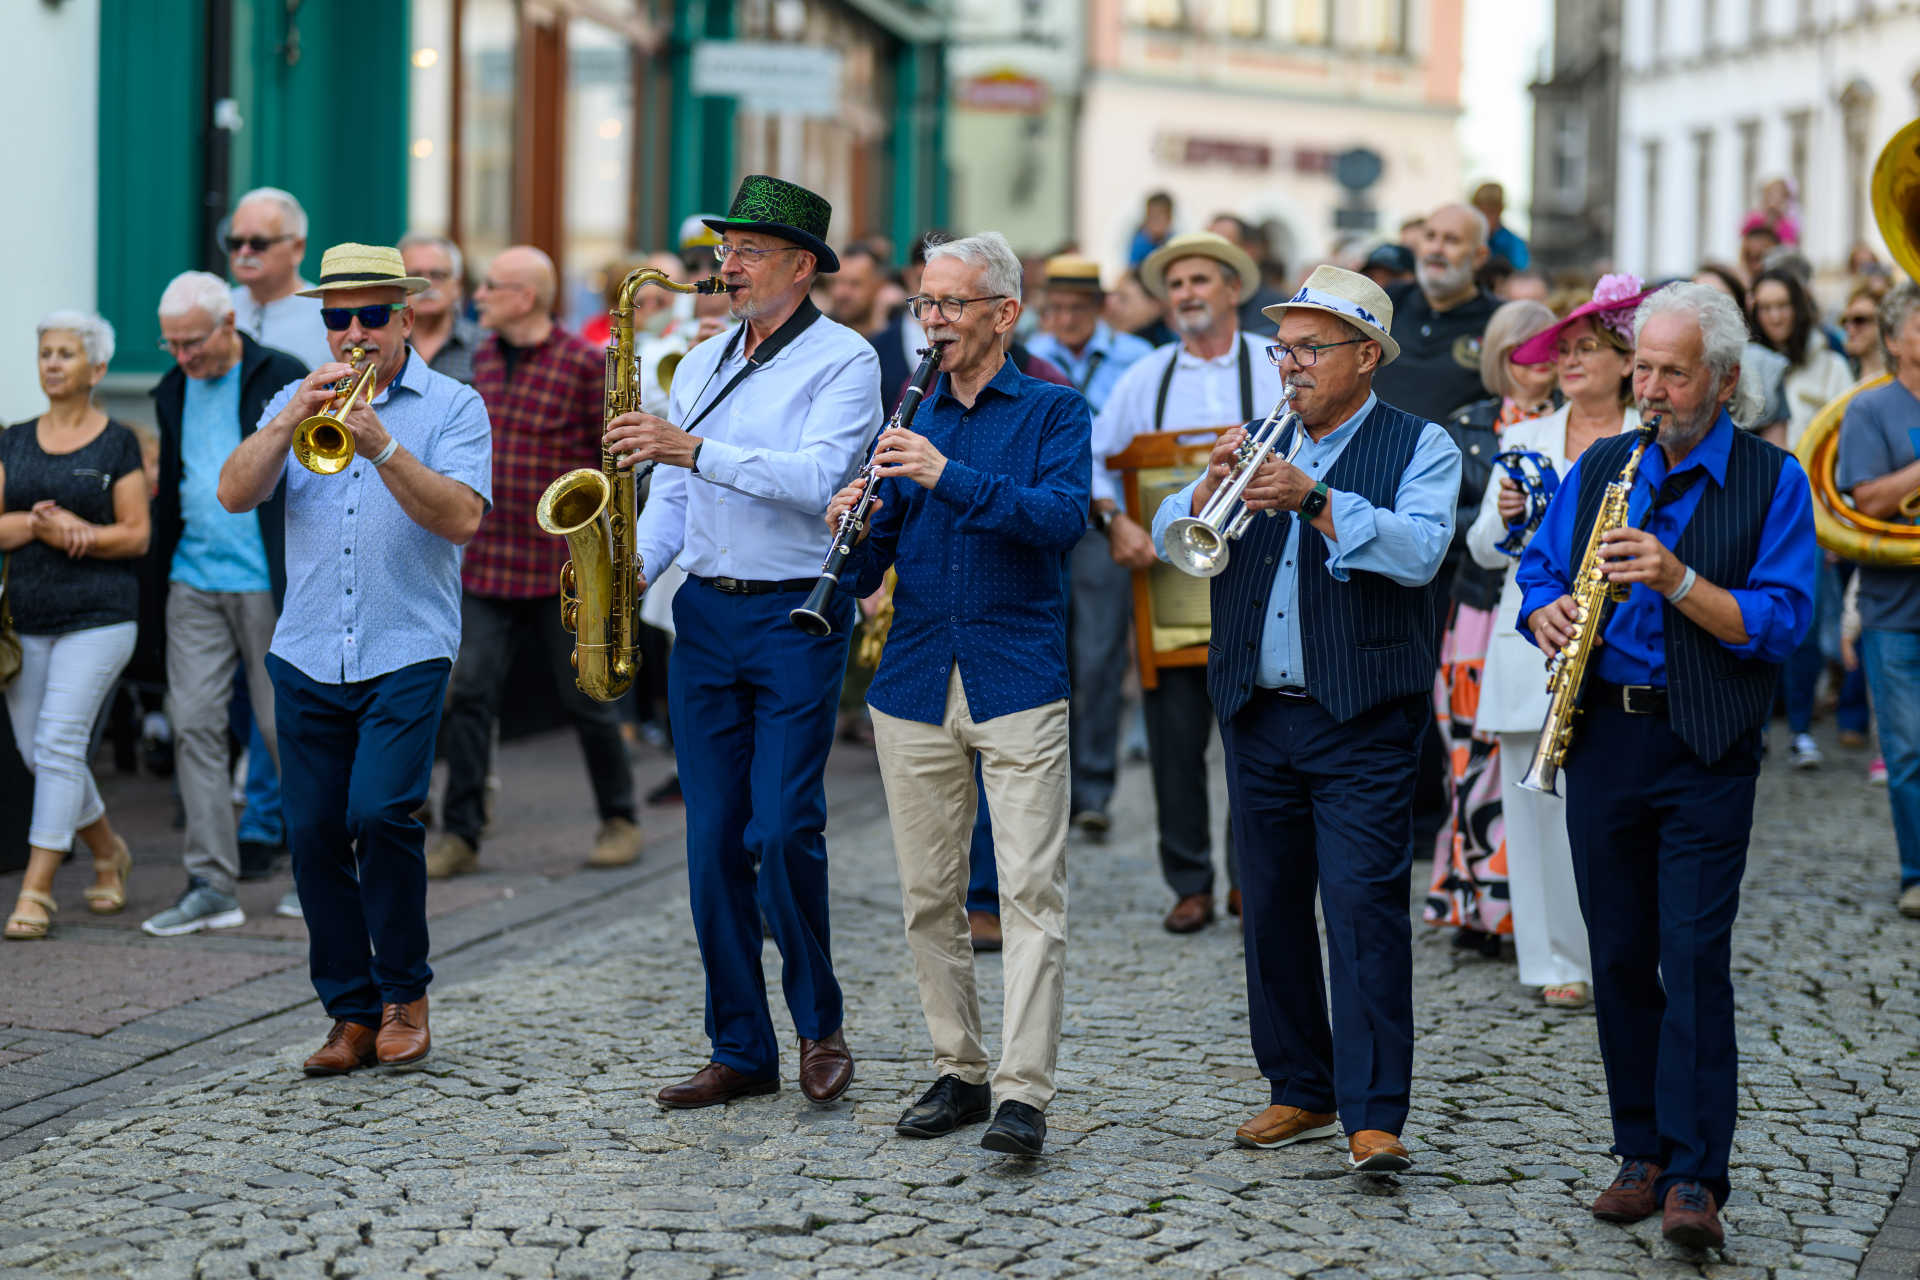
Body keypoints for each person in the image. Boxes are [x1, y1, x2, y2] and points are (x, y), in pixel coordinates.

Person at [1518, 282, 1816, 1248]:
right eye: (1642, 368)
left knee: (1691, 958)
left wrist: (1679, 579)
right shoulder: (1605, 463)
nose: (1649, 390)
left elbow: (1780, 623)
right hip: (1605, 736)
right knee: (1616, 954)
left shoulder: (1774, 480)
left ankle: (1697, 1174)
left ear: (1723, 381)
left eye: (1672, 374)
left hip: (1705, 745)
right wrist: (1542, 609)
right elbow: (1538, 567)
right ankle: (1639, 1151)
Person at [1150, 265, 1460, 1169]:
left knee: (1363, 912)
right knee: (1272, 909)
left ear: (1366, 357)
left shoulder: (1422, 444)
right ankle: (1299, 1088)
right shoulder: (1258, 438)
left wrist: (1316, 501)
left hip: (1363, 713)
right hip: (1257, 709)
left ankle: (1375, 1113)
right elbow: (1176, 539)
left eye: (1310, 349)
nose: (1289, 365)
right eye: (1283, 349)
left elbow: (1421, 552)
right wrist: (1203, 490)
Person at [603, 175, 880, 1109]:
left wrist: (691, 449)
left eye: (749, 252)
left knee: (785, 825)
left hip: (797, 613)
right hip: (705, 617)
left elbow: (818, 480)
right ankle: (740, 1046)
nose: (728, 265)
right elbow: (674, 498)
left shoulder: (845, 360)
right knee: (712, 837)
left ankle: (819, 1026)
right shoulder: (700, 362)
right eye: (726, 249)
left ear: (802, 267)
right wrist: (630, 571)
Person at [824, 231, 1089, 1157]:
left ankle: (1024, 1092)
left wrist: (949, 474)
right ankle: (960, 1069)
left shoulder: (1054, 409)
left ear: (1003, 313)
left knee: (1029, 893)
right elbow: (874, 566)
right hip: (912, 679)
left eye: (948, 304)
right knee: (928, 894)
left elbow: (1060, 520)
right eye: (923, 304)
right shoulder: (911, 415)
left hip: (1016, 675)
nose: (931, 321)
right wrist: (854, 529)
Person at [218, 243, 491, 1074]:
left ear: (405, 317)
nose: (354, 333)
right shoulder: (294, 398)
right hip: (306, 649)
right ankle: (350, 1010)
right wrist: (286, 420)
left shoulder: (454, 405)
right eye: (339, 318)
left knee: (380, 814)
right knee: (311, 833)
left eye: (372, 315)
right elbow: (234, 493)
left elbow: (461, 519)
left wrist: (382, 447)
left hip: (406, 644)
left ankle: (405, 992)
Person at [1464, 283, 1651, 1008]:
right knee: (1537, 815)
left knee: (1625, 810)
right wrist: (1506, 516)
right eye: (1562, 351)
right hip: (1533, 641)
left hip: (1628, 638)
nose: (1568, 361)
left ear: (1625, 360)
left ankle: (1626, 955)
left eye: (1585, 349)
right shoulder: (1524, 439)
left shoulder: (1652, 435)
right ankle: (1553, 964)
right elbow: (1483, 551)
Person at [1091, 230, 1285, 931]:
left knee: (1257, 740)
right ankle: (1190, 883)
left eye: (1200, 279)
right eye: (1175, 284)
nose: (1186, 294)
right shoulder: (1146, 376)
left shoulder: (1273, 366)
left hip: (1264, 580)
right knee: (1173, 743)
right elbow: (1094, 459)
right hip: (1171, 589)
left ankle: (1250, 879)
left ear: (1233, 289)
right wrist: (1116, 520)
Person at [429, 245, 642, 879]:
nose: (478, 296)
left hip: (563, 566)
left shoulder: (584, 363)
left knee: (589, 698)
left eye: (491, 286)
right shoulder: (475, 359)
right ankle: (461, 833)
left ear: (525, 297)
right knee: (469, 696)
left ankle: (620, 818)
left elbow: (615, 464)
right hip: (487, 559)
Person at [138, 272, 308, 936]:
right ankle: (210, 882)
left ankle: (317, 873)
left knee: (284, 728)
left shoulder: (282, 374)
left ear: (228, 325)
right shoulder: (172, 388)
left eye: (193, 342)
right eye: (172, 344)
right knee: (194, 726)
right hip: (193, 578)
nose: (183, 356)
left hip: (269, 579)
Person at [1420, 297, 1563, 964]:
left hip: (1546, 608)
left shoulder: (1575, 425)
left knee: (1532, 757)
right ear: (1502, 358)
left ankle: (1525, 907)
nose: (1541, 363)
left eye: (1550, 350)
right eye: (1525, 352)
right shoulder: (1467, 428)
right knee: (1470, 760)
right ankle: (1474, 901)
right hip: (1478, 609)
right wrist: (1501, 515)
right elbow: (1440, 518)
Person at [1, 313, 149, 941]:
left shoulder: (117, 442)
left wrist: (83, 534)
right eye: (46, 353)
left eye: (66, 353)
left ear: (98, 369)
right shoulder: (14, 439)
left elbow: (136, 535)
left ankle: (36, 891)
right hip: (26, 620)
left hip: (99, 617)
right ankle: (109, 852)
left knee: (59, 744)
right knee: (39, 753)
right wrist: (38, 526)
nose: (53, 363)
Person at [1838, 281, 1920, 919]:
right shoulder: (1870, 410)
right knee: (1908, 750)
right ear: (1893, 340)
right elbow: (1867, 499)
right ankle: (1917, 873)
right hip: (1896, 607)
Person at [225, 187, 332, 370]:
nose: (244, 252)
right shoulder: (219, 309)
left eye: (258, 243)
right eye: (235, 243)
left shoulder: (329, 317)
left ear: (297, 248)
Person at [399, 233, 482, 384]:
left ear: (457, 286)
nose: (427, 285)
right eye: (415, 275)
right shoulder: (383, 343)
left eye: (437, 275)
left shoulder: (485, 346)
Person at [1208, 214, 1285, 337]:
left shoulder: (1277, 310)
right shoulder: (1201, 309)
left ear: (1249, 251)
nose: (1209, 255)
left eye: (1220, 246)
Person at [827, 241, 891, 336]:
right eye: (838, 282)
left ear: (878, 286)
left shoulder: (897, 335)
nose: (842, 293)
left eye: (855, 284)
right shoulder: (817, 334)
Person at [1471, 181, 1530, 271]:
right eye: (1480, 213)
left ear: (1500, 210)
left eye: (1490, 212)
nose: (1484, 219)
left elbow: (1520, 272)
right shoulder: (1470, 240)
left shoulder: (1513, 244)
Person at [1841, 277, 1892, 381]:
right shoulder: (1841, 376)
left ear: (1883, 323)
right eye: (1844, 321)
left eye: (1859, 320)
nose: (1849, 327)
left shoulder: (1907, 379)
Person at [1129, 190, 1174, 267]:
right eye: (1151, 217)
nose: (1154, 223)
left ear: (1169, 219)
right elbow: (1132, 266)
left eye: (1159, 218)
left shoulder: (1173, 242)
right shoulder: (1140, 242)